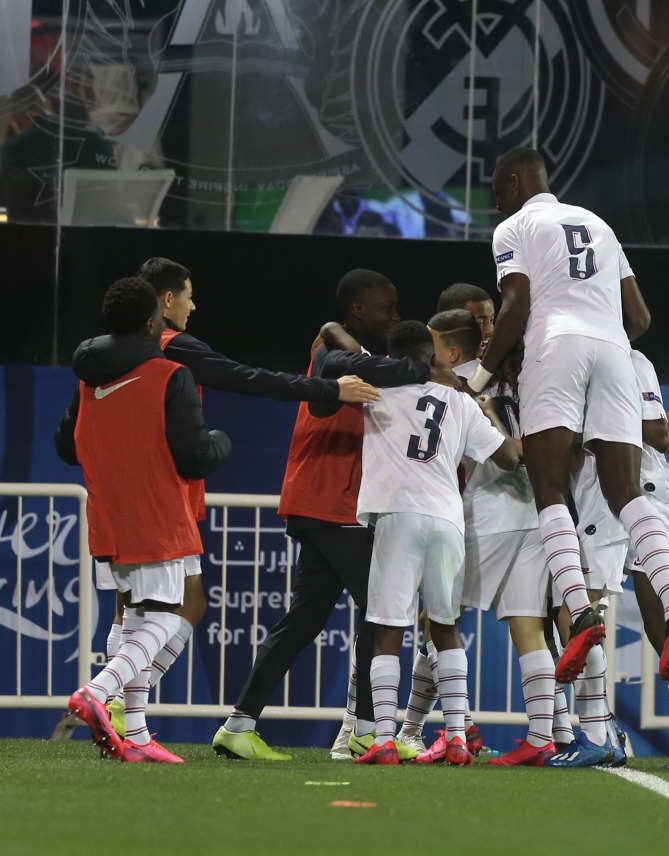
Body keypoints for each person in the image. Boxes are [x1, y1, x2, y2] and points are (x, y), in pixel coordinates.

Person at [96, 257, 382, 735]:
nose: (194, 304)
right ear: (167, 301)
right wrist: (327, 387)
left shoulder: (104, 357)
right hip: (159, 495)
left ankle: (132, 713)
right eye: (188, 295)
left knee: (146, 608)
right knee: (165, 611)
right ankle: (108, 698)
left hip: (118, 494)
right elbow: (246, 377)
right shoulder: (172, 348)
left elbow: (72, 434)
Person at [466, 146, 669, 686]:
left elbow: (516, 303)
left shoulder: (515, 228)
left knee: (549, 487)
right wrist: (601, 348)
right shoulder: (599, 223)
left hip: (556, 343)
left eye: (498, 193)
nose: (498, 204)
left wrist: (483, 376)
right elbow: (638, 317)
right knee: (626, 490)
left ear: (517, 182)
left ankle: (582, 608)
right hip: (616, 348)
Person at [212, 269, 461, 761]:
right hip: (331, 503)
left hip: (329, 505)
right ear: (358, 311)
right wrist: (420, 369)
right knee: (382, 608)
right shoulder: (331, 348)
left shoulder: (372, 360)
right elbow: (337, 359)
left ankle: (238, 725)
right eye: (386, 308)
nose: (395, 316)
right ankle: (369, 730)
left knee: (304, 620)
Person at [56, 277, 231, 762]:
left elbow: (66, 447)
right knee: (162, 616)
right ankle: (98, 691)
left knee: (133, 616)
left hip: (106, 514)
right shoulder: (168, 374)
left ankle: (134, 736)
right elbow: (195, 457)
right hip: (154, 512)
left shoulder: (88, 378)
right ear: (153, 320)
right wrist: (221, 441)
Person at [348, 320, 517, 765]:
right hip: (446, 519)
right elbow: (510, 457)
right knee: (444, 628)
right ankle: (458, 737)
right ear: (432, 356)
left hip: (398, 513)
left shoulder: (376, 389)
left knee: (388, 629)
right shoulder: (460, 402)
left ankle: (385, 739)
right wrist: (483, 409)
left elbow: (339, 353)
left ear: (392, 357)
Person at [560, 349, 669, 769]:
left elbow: (657, 433)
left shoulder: (575, 352)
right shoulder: (636, 357)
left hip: (611, 489)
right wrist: (668, 430)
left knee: (577, 611)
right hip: (655, 489)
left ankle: (599, 733)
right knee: (658, 619)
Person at [436, 282, 496, 354]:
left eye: (491, 320)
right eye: (480, 322)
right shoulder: (422, 364)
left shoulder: (482, 364)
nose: (489, 331)